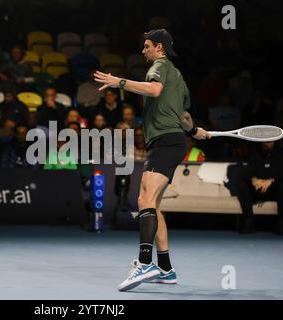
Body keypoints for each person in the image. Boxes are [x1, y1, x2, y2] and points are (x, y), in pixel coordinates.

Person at [95, 29, 211, 291]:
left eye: (147, 46)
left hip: (165, 141)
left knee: (144, 199)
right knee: (152, 204)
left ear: (159, 47)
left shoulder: (159, 66)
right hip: (170, 140)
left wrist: (119, 82)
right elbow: (183, 116)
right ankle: (166, 269)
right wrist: (194, 131)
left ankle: (145, 262)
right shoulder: (178, 76)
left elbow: (155, 90)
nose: (143, 50)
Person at [237, 142, 283, 235]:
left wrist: (271, 181)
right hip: (257, 189)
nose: (267, 144)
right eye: (265, 142)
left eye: (269, 142)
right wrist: (253, 179)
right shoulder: (255, 154)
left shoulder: (282, 155)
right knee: (242, 185)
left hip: (274, 190)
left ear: (274, 142)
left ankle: (282, 224)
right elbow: (248, 172)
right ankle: (249, 222)